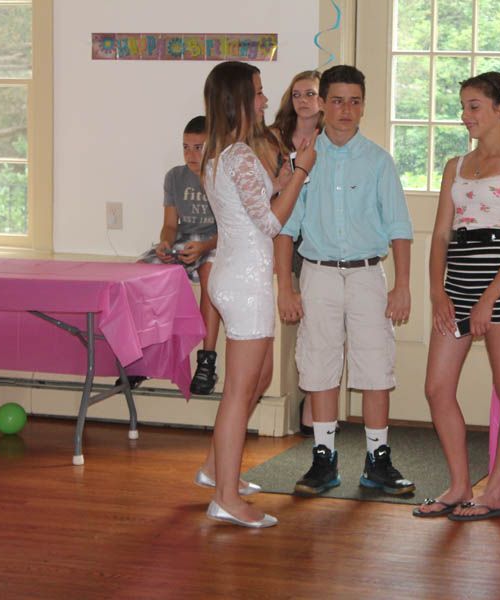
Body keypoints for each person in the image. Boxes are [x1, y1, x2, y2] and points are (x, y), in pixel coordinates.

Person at [275, 65, 415, 498]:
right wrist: (286, 286)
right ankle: (323, 458)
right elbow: (284, 228)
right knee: (319, 367)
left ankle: (378, 460)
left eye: (355, 101)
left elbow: (400, 227)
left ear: (364, 107)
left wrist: (403, 285)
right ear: (321, 104)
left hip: (367, 276)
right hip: (317, 275)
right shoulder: (305, 162)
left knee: (375, 367)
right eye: (337, 100)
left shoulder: (378, 161)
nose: (345, 110)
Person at [412, 72, 500, 521]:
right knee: (436, 388)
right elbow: (442, 235)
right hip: (457, 287)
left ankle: (497, 490)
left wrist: (487, 300)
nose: (464, 115)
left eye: (474, 106)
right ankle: (460, 484)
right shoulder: (456, 166)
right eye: (463, 106)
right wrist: (436, 291)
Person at [201, 60, 316, 528]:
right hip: (245, 282)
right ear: (239, 101)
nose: (267, 100)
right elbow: (271, 223)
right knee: (239, 390)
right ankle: (225, 497)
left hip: (243, 275)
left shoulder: (228, 156)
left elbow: (262, 204)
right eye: (260, 92)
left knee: (261, 376)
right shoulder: (239, 158)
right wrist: (303, 172)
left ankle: (215, 470)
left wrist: (290, 168)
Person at [125, 116, 222, 395]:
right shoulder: (174, 177)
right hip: (184, 239)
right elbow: (170, 226)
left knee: (210, 273)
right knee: (141, 271)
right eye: (186, 147)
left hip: (216, 241)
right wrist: (165, 246)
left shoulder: (221, 177)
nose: (191, 155)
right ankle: (139, 359)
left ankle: (206, 362)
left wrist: (204, 248)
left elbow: (230, 227)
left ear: (213, 147)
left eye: (198, 147)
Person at [269, 70, 323, 436]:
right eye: (298, 93)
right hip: (281, 228)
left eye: (311, 94)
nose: (303, 100)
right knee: (289, 310)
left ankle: (313, 399)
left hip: (318, 233)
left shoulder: (330, 138)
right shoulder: (273, 138)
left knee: (319, 319)